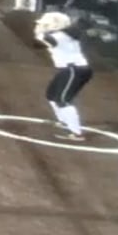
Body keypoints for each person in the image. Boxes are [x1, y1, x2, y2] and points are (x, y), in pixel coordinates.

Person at [35, 12, 93, 141]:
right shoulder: (66, 34)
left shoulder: (60, 36)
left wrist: (41, 33)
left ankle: (76, 133)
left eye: (48, 24)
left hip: (74, 70)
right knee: (51, 95)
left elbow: (42, 42)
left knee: (63, 100)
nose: (44, 26)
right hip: (71, 69)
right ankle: (64, 121)